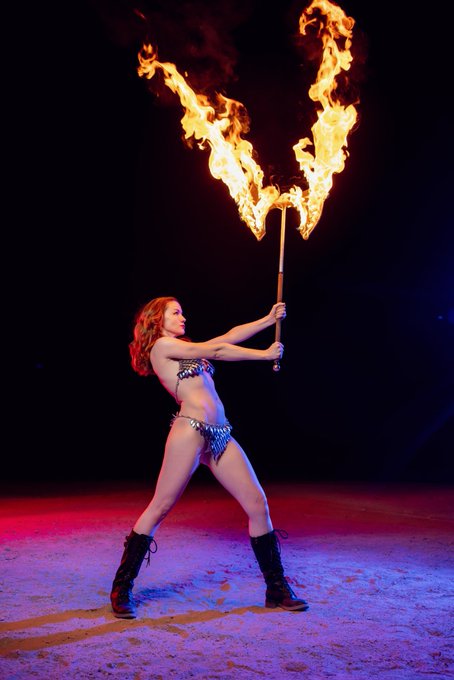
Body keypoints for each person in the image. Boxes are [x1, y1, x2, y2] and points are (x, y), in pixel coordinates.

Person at [110, 296, 308, 618]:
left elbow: (226, 339)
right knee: (160, 507)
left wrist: (268, 319)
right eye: (176, 312)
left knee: (257, 503)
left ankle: (276, 587)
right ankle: (121, 588)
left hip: (220, 433)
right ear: (157, 320)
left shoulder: (187, 347)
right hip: (190, 430)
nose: (183, 317)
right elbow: (217, 350)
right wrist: (264, 355)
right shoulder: (161, 347)